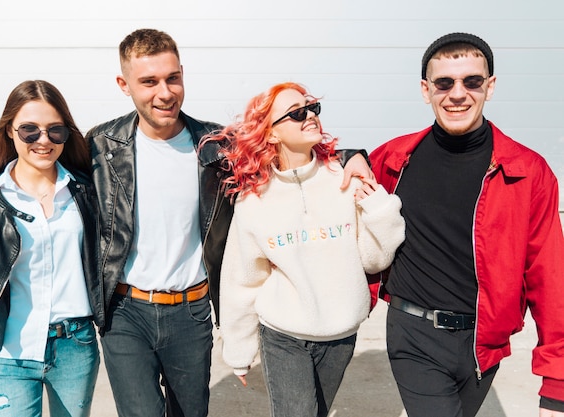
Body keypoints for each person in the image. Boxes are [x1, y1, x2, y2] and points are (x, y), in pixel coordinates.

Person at [85, 29, 372, 417]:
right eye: (148, 82)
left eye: (172, 78)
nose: (165, 92)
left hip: (190, 312)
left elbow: (285, 150)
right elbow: (43, 174)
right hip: (125, 312)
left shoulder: (216, 146)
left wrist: (354, 155)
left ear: (182, 73)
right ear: (124, 84)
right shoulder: (101, 145)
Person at [368, 32, 564, 417]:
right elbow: (325, 180)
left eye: (471, 81)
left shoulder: (528, 172)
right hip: (414, 333)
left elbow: (549, 277)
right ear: (426, 91)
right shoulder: (393, 159)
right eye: (444, 83)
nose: (457, 93)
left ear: (489, 87)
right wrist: (350, 155)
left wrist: (556, 386)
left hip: (484, 342)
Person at [205, 82, 405, 417]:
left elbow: (373, 261)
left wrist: (380, 211)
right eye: (297, 113)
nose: (310, 116)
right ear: (271, 134)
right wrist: (239, 350)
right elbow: (243, 279)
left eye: (312, 108)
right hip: (282, 335)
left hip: (341, 335)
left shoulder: (346, 178)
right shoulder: (254, 200)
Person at [0, 80, 104, 416]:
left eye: (55, 131)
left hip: (75, 348)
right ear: (10, 132)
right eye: (30, 130)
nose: (43, 141)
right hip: (6, 353)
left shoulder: (88, 193)